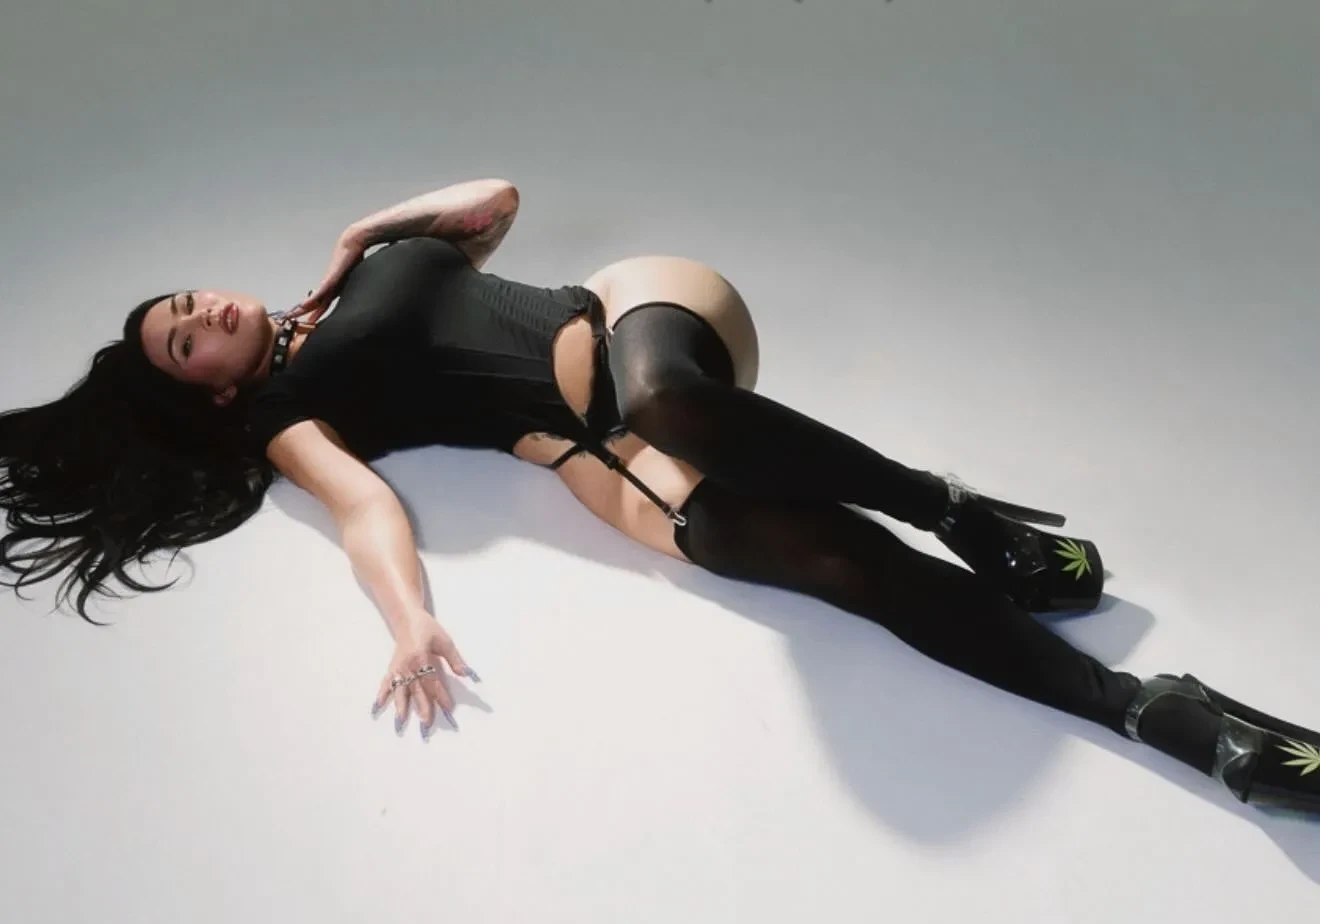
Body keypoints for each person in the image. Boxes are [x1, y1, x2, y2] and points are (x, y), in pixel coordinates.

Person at [1, 178, 1317, 815]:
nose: (208, 313)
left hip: (639, 319)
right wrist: (408, 621)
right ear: (210, 394)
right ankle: (1163, 716)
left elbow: (493, 199)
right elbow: (363, 511)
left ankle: (958, 511)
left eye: (191, 300)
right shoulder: (287, 418)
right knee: (818, 563)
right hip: (601, 459)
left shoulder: (353, 268)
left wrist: (357, 237)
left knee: (675, 404)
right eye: (187, 341)